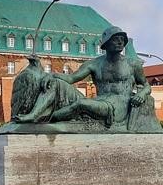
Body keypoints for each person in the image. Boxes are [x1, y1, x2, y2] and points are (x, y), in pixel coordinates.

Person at [12, 26, 153, 128]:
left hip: (119, 107)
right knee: (55, 83)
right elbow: (71, 79)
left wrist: (143, 93)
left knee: (82, 104)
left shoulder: (133, 64)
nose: (120, 42)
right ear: (106, 43)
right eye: (115, 39)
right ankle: (34, 116)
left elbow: (146, 85)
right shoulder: (94, 64)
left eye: (122, 39)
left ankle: (46, 119)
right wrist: (51, 75)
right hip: (99, 101)